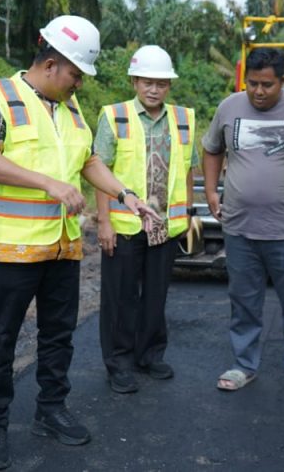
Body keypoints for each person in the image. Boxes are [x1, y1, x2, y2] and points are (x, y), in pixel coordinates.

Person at [0, 15, 159, 471]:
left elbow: (88, 161)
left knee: (58, 337)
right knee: (1, 339)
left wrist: (126, 195)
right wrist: (47, 184)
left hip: (63, 247)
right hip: (13, 248)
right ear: (52, 64)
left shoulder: (70, 110)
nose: (78, 85)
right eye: (75, 75)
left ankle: (51, 409)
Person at [202, 48, 284, 399]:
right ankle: (244, 365)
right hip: (240, 227)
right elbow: (213, 149)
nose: (258, 92)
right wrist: (212, 191)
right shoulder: (229, 107)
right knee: (243, 300)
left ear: (283, 82)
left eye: (267, 85)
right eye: (253, 84)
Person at [94, 45, 198, 394]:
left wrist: (190, 213)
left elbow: (186, 169)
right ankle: (119, 362)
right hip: (125, 226)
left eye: (161, 83)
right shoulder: (115, 116)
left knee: (156, 295)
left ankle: (150, 354)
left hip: (165, 226)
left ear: (169, 86)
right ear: (134, 81)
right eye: (146, 82)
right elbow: (99, 171)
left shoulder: (184, 118)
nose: (153, 90)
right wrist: (104, 222)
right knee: (120, 298)